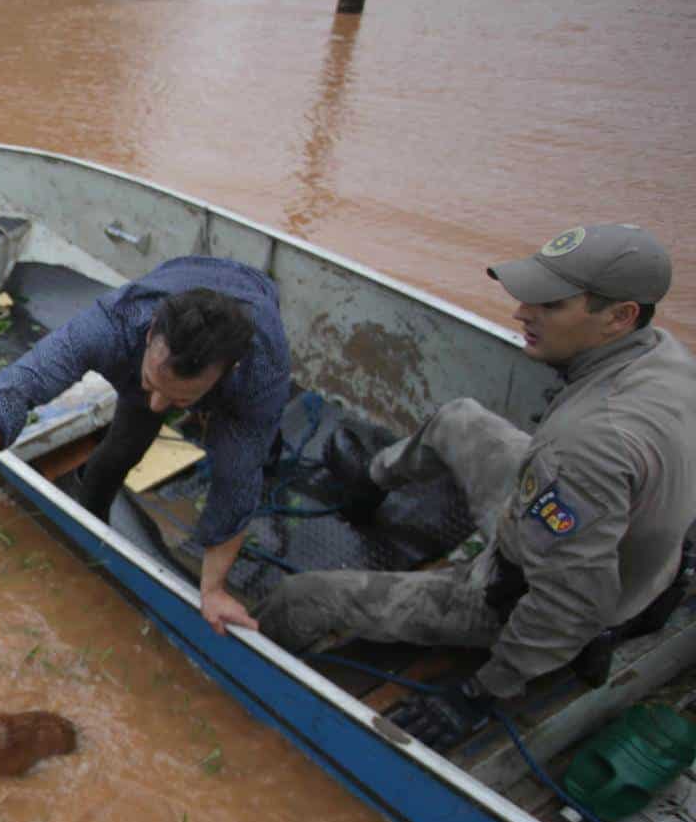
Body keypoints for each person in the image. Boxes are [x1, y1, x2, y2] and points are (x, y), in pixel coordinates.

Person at [258, 224, 694, 748]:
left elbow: (569, 605)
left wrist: (481, 693)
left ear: (619, 316)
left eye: (549, 304)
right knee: (458, 418)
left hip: (516, 592)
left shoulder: (585, 447)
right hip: (605, 548)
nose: (521, 314)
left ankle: (243, 685)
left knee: (297, 600)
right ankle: (369, 483)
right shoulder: (667, 357)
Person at [0, 256, 290, 635]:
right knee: (120, 451)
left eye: (179, 401)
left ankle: (208, 411)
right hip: (183, 274)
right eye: (152, 384)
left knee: (248, 456)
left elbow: (235, 484)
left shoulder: (261, 370)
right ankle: (92, 533)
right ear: (150, 335)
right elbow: (18, 387)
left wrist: (212, 590)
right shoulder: (114, 323)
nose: (158, 407)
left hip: (252, 311)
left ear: (228, 372)